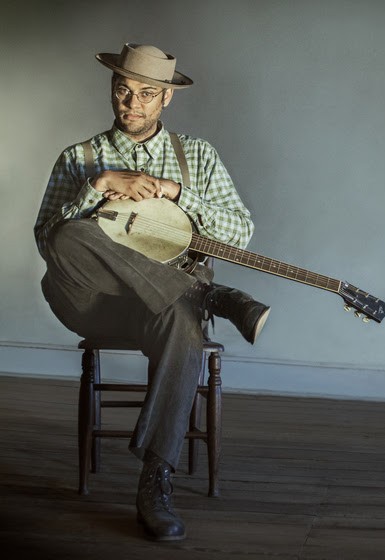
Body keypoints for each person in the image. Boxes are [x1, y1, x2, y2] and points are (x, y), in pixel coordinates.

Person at [34, 43, 270, 542]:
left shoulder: (199, 156)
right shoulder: (79, 157)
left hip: (159, 309)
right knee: (71, 234)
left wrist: (175, 192)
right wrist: (95, 187)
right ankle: (208, 296)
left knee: (181, 323)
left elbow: (241, 231)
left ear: (166, 99)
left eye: (146, 93)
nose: (131, 103)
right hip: (91, 301)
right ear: (112, 91)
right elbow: (47, 242)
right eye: (123, 90)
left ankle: (155, 483)